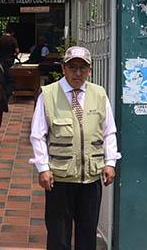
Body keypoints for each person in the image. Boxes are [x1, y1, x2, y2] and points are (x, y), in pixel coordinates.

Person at [29, 46, 121, 250]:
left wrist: (110, 162)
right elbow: (38, 135)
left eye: (83, 68)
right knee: (58, 235)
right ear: (63, 68)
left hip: (90, 178)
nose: (77, 73)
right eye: (73, 67)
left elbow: (109, 132)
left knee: (87, 233)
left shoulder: (99, 94)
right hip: (59, 178)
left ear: (90, 70)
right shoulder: (49, 94)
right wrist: (43, 168)